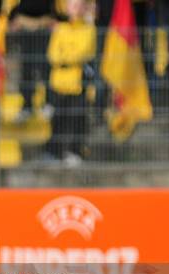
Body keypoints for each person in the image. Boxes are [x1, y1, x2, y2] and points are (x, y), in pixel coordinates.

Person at [44, 0, 95, 163]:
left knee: (76, 119)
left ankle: (75, 152)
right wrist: (69, 58)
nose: (76, 9)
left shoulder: (89, 29)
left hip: (77, 83)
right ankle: (53, 153)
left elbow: (84, 52)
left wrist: (65, 57)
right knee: (57, 119)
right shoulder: (60, 29)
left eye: (79, 5)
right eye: (73, 5)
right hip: (59, 82)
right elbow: (52, 54)